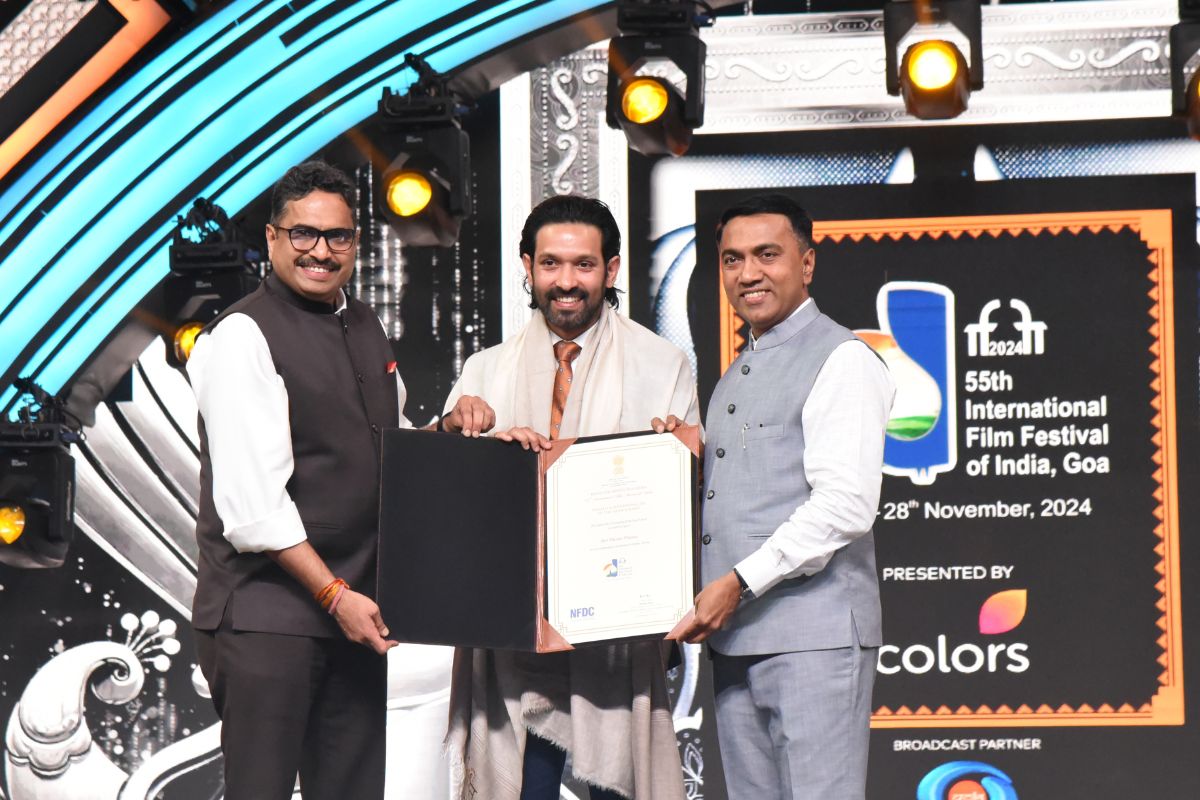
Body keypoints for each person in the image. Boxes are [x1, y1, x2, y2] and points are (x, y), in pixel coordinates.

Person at [188, 160, 491, 800]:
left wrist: (449, 429)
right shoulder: (242, 336)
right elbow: (253, 510)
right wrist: (336, 597)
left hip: (355, 612)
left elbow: (389, 449)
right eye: (303, 233)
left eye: (338, 236)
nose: (320, 252)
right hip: (268, 620)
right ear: (272, 238)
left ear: (356, 242)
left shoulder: (363, 323)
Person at [442, 195, 699, 800]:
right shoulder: (484, 370)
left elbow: (685, 504)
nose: (566, 281)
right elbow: (446, 504)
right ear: (526, 267)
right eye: (551, 263)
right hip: (513, 639)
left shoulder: (662, 364)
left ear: (611, 269)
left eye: (583, 264)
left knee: (618, 783)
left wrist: (672, 456)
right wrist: (464, 437)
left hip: (617, 642)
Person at [660, 193, 895, 800]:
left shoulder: (842, 359)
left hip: (814, 641)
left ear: (807, 263)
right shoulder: (738, 370)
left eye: (768, 254)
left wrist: (737, 583)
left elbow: (844, 506)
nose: (748, 273)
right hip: (737, 642)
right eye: (732, 259)